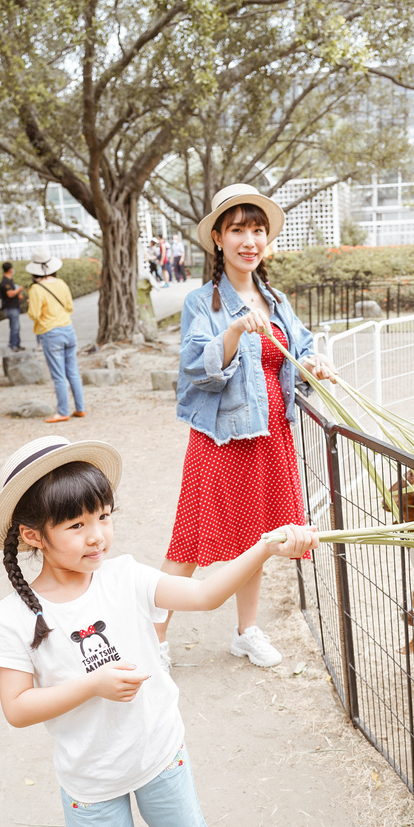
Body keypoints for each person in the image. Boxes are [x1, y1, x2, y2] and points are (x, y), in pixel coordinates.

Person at [0, 435, 317, 827]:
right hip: (92, 777)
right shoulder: (12, 617)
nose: (97, 536)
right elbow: (16, 708)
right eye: (77, 526)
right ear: (32, 535)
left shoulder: (127, 576)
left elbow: (206, 595)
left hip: (160, 750)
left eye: (104, 517)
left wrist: (262, 547)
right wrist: (91, 685)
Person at [156, 183, 335, 670]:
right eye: (238, 229)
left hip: (271, 434)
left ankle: (246, 632)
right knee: (190, 538)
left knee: (259, 537)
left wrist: (313, 363)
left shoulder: (275, 298)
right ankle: (154, 639)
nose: (249, 240)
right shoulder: (202, 303)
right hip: (221, 437)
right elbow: (199, 367)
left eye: (258, 230)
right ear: (217, 238)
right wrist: (234, 328)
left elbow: (296, 350)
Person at [25, 249, 85, 424]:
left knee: (58, 375)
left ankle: (63, 411)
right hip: (68, 329)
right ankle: (80, 408)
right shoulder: (61, 283)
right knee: (73, 372)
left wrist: (32, 306)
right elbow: (69, 307)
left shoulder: (36, 289)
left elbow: (34, 314)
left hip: (51, 333)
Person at [0, 261, 25, 351]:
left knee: (16, 326)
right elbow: (10, 294)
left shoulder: (10, 281)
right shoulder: (5, 281)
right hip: (10, 307)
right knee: (15, 327)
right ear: (10, 269)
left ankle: (16, 343)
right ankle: (13, 345)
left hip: (14, 306)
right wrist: (19, 290)